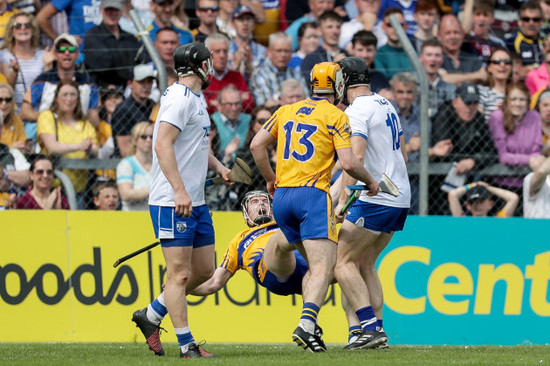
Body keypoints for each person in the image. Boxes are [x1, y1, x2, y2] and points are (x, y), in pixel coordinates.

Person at [250, 61, 379, 352]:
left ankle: (314, 326)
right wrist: (370, 181)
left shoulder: (286, 110)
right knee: (324, 266)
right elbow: (347, 163)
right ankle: (308, 325)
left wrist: (270, 179)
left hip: (282, 198)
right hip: (312, 196)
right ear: (339, 86)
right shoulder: (337, 116)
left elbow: (257, 145)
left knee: (315, 266)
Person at [131, 42, 230, 359]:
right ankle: (187, 345)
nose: (212, 67)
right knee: (179, 276)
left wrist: (219, 167)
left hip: (194, 201)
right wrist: (179, 190)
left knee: (204, 271)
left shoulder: (196, 99)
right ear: (201, 65)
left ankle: (151, 314)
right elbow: (162, 145)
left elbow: (196, 145)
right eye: (210, 62)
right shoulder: (179, 98)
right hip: (174, 201)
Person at [332, 56, 410, 350]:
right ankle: (366, 332)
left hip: (374, 197)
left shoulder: (356, 111)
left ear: (344, 82)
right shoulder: (384, 103)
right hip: (398, 194)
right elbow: (398, 150)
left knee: (342, 263)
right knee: (364, 264)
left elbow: (355, 160)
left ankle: (369, 327)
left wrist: (342, 203)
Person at [36, 79, 99, 209]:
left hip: (79, 190)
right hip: (52, 187)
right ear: (57, 98)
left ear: (78, 98)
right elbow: (52, 147)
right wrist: (79, 146)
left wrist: (90, 149)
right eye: (65, 95)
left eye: (73, 94)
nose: (69, 99)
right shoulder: (48, 117)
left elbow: (95, 149)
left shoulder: (85, 124)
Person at [20, 33, 100, 133]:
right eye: (61, 50)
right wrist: (52, 118)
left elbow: (94, 117)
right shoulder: (42, 80)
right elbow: (24, 112)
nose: (66, 53)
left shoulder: (89, 83)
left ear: (77, 54)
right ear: (55, 54)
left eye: (71, 50)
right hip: (48, 133)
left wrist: (75, 121)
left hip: (78, 133)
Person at [488, 83, 544, 202]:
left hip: (528, 181)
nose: (518, 104)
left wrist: (534, 158)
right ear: (507, 101)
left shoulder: (534, 116)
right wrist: (529, 160)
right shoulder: (497, 117)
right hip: (501, 183)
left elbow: (536, 150)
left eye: (522, 99)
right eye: (513, 99)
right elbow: (503, 156)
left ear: (528, 102)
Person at [0, 13, 50, 121]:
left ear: (33, 30)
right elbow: (7, 88)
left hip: (38, 112)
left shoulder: (43, 55)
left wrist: (48, 66)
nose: (23, 28)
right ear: (12, 31)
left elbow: (47, 88)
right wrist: (15, 71)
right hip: (12, 114)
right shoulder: (4, 55)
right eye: (18, 25)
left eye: (27, 25)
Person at [83, 0, 140, 89]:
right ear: (101, 10)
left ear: (121, 11)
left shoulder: (130, 38)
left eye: (116, 10)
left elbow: (141, 60)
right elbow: (105, 64)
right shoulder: (93, 35)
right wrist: (127, 60)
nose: (112, 13)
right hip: (102, 90)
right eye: (109, 10)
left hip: (129, 88)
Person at [249, 32, 308, 106]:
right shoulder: (259, 74)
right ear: (269, 51)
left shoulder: (296, 74)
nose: (283, 55)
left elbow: (307, 100)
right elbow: (264, 105)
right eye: (279, 51)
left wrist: (279, 101)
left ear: (291, 53)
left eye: (286, 51)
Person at [111, 64, 156, 157]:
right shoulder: (122, 110)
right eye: (141, 82)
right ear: (130, 84)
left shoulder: (153, 106)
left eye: (149, 82)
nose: (146, 86)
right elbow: (125, 150)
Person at [203, 33, 254, 114]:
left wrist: (216, 103)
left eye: (225, 51)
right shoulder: (202, 78)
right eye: (217, 51)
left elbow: (249, 105)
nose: (222, 55)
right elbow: (202, 107)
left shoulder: (236, 76)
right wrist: (238, 100)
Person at [300, 10, 347, 89]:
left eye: (338, 27)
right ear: (319, 30)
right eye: (329, 27)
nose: (335, 31)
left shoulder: (349, 56)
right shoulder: (310, 59)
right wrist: (333, 68)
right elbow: (311, 88)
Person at [437, 14, 486, 86]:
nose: (452, 37)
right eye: (447, 33)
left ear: (463, 34)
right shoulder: (434, 57)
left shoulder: (473, 58)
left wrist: (454, 79)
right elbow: (442, 80)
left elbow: (484, 77)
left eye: (456, 32)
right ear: (439, 36)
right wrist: (475, 76)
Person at [116, 121, 153, 211]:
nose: (148, 140)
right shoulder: (126, 164)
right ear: (134, 140)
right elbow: (126, 195)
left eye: (152, 137)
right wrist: (154, 190)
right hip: (132, 218)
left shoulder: (159, 164)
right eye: (143, 137)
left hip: (154, 218)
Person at [418, 39, 456, 119]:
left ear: (442, 59)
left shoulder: (450, 88)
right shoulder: (410, 84)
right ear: (420, 58)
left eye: (437, 55)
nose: (433, 59)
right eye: (429, 55)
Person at [505, 2, 544, 78]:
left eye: (536, 19)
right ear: (520, 21)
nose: (531, 23)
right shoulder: (511, 42)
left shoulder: (547, 42)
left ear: (541, 22)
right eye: (526, 19)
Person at [349, 30, 391, 99]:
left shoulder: (381, 78)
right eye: (360, 50)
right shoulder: (343, 77)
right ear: (352, 50)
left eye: (369, 50)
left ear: (375, 51)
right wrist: (378, 98)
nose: (364, 55)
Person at [228, 5, 266, 80]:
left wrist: (250, 66)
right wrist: (236, 64)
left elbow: (265, 81)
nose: (245, 23)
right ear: (233, 24)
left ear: (254, 24)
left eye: (248, 19)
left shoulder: (263, 51)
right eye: (241, 19)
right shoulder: (224, 49)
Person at [374, 8, 413, 80]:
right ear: (384, 27)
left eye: (399, 24)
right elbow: (383, 83)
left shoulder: (415, 51)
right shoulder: (380, 54)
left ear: (406, 26)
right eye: (390, 25)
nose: (395, 29)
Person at [478, 48, 513, 122]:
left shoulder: (517, 93)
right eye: (497, 61)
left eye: (507, 62)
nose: (502, 65)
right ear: (489, 68)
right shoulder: (481, 92)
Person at [448, 181, 519, 217]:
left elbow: (513, 198)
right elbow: (452, 194)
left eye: (481, 201)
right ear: (468, 205)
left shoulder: (497, 221)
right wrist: (473, 184)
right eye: (473, 201)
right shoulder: (463, 221)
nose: (477, 205)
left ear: (490, 204)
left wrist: (488, 187)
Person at [0, 82, 26, 152]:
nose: (4, 103)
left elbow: (22, 143)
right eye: (0, 100)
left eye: (8, 100)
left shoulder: (16, 119)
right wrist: (10, 148)